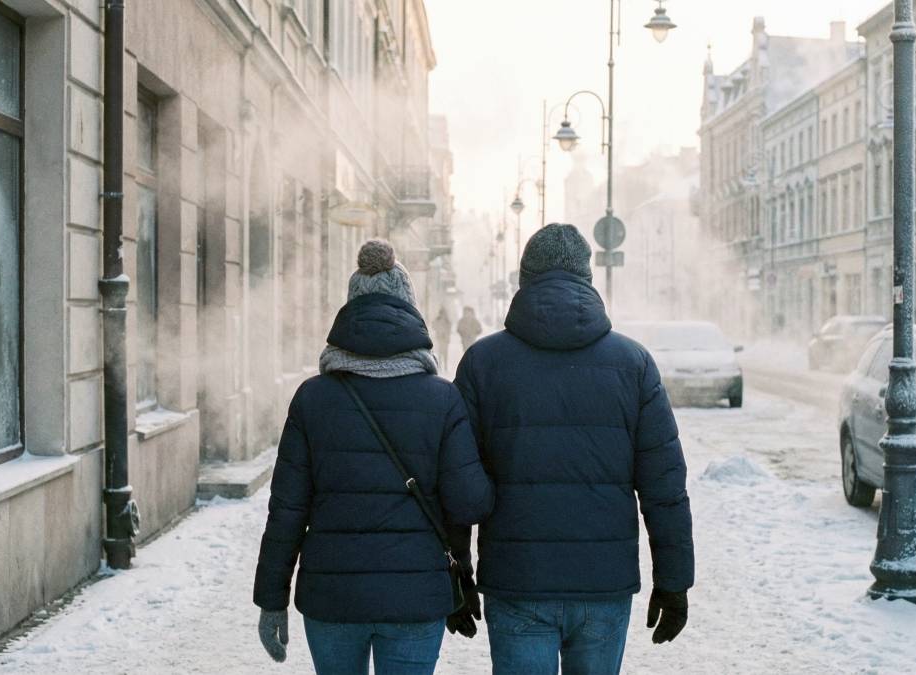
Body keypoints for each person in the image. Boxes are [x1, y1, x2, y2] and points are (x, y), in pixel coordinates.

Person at [451, 223, 694, 675]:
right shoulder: (633, 363)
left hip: (516, 579)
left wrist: (456, 574)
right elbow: (664, 486)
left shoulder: (483, 363)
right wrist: (674, 581)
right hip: (603, 582)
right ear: (587, 279)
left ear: (524, 278)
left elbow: (457, 482)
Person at [253, 239, 495, 675]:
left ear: (349, 312)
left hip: (332, 597)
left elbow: (286, 510)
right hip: (416, 596)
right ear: (411, 311)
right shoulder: (442, 399)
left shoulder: (312, 398)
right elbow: (468, 503)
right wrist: (462, 573)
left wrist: (272, 600)